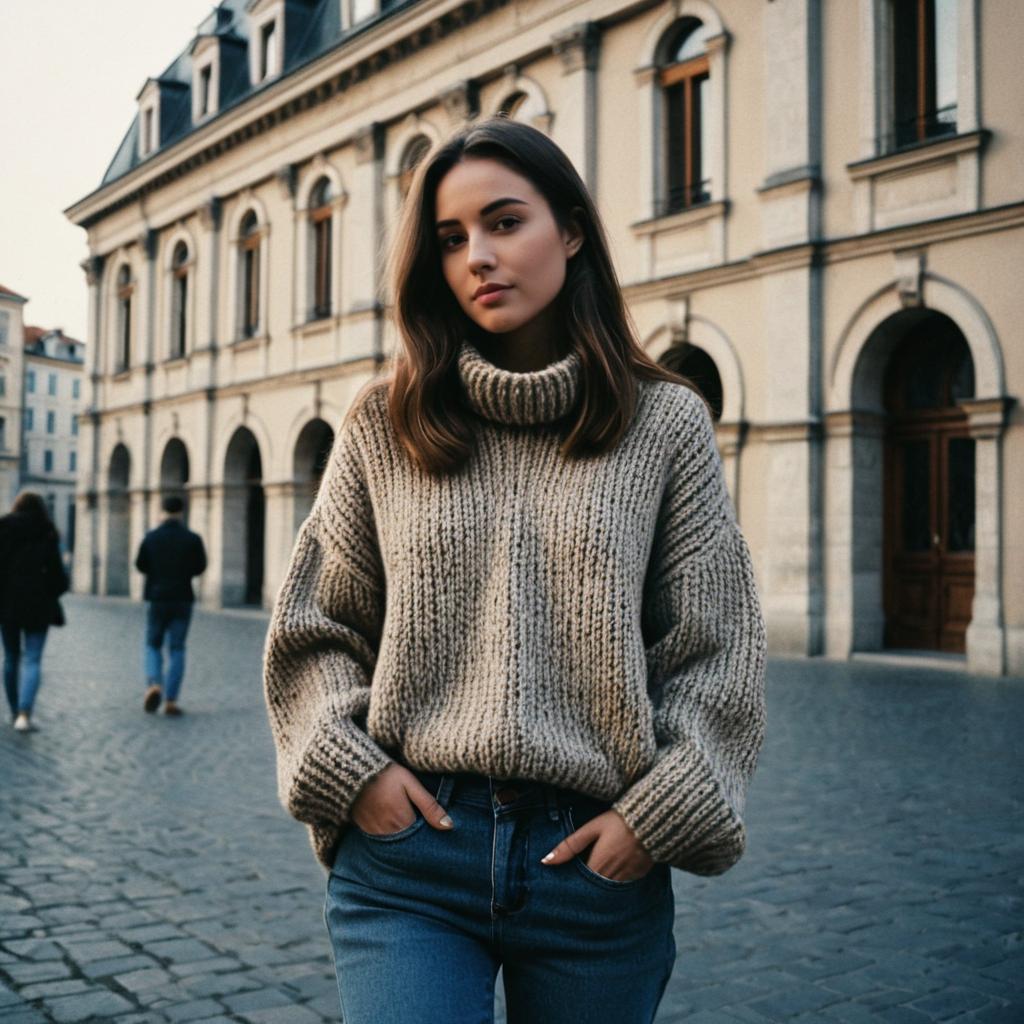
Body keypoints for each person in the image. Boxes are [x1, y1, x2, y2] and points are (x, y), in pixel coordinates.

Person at [263, 117, 767, 1024]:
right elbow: (316, 629)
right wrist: (356, 775)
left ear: (570, 231)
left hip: (594, 869)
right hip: (410, 863)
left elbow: (716, 649)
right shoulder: (383, 421)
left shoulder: (666, 423)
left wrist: (652, 820)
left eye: (504, 222)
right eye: (450, 239)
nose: (478, 258)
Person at [0, 492, 69, 732]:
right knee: (33, 659)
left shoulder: (3, 527)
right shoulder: (47, 531)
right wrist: (52, 591)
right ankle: (24, 714)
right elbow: (58, 574)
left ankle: (13, 710)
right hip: (39, 604)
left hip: (7, 604)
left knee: (11, 657)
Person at [135, 494, 207, 717]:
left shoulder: (151, 537)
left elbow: (140, 565)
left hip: (157, 597)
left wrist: (157, 573)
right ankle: (171, 700)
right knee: (177, 648)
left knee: (153, 644)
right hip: (182, 597)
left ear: (162, 512)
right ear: (181, 513)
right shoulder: (192, 538)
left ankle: (155, 683)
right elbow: (200, 567)